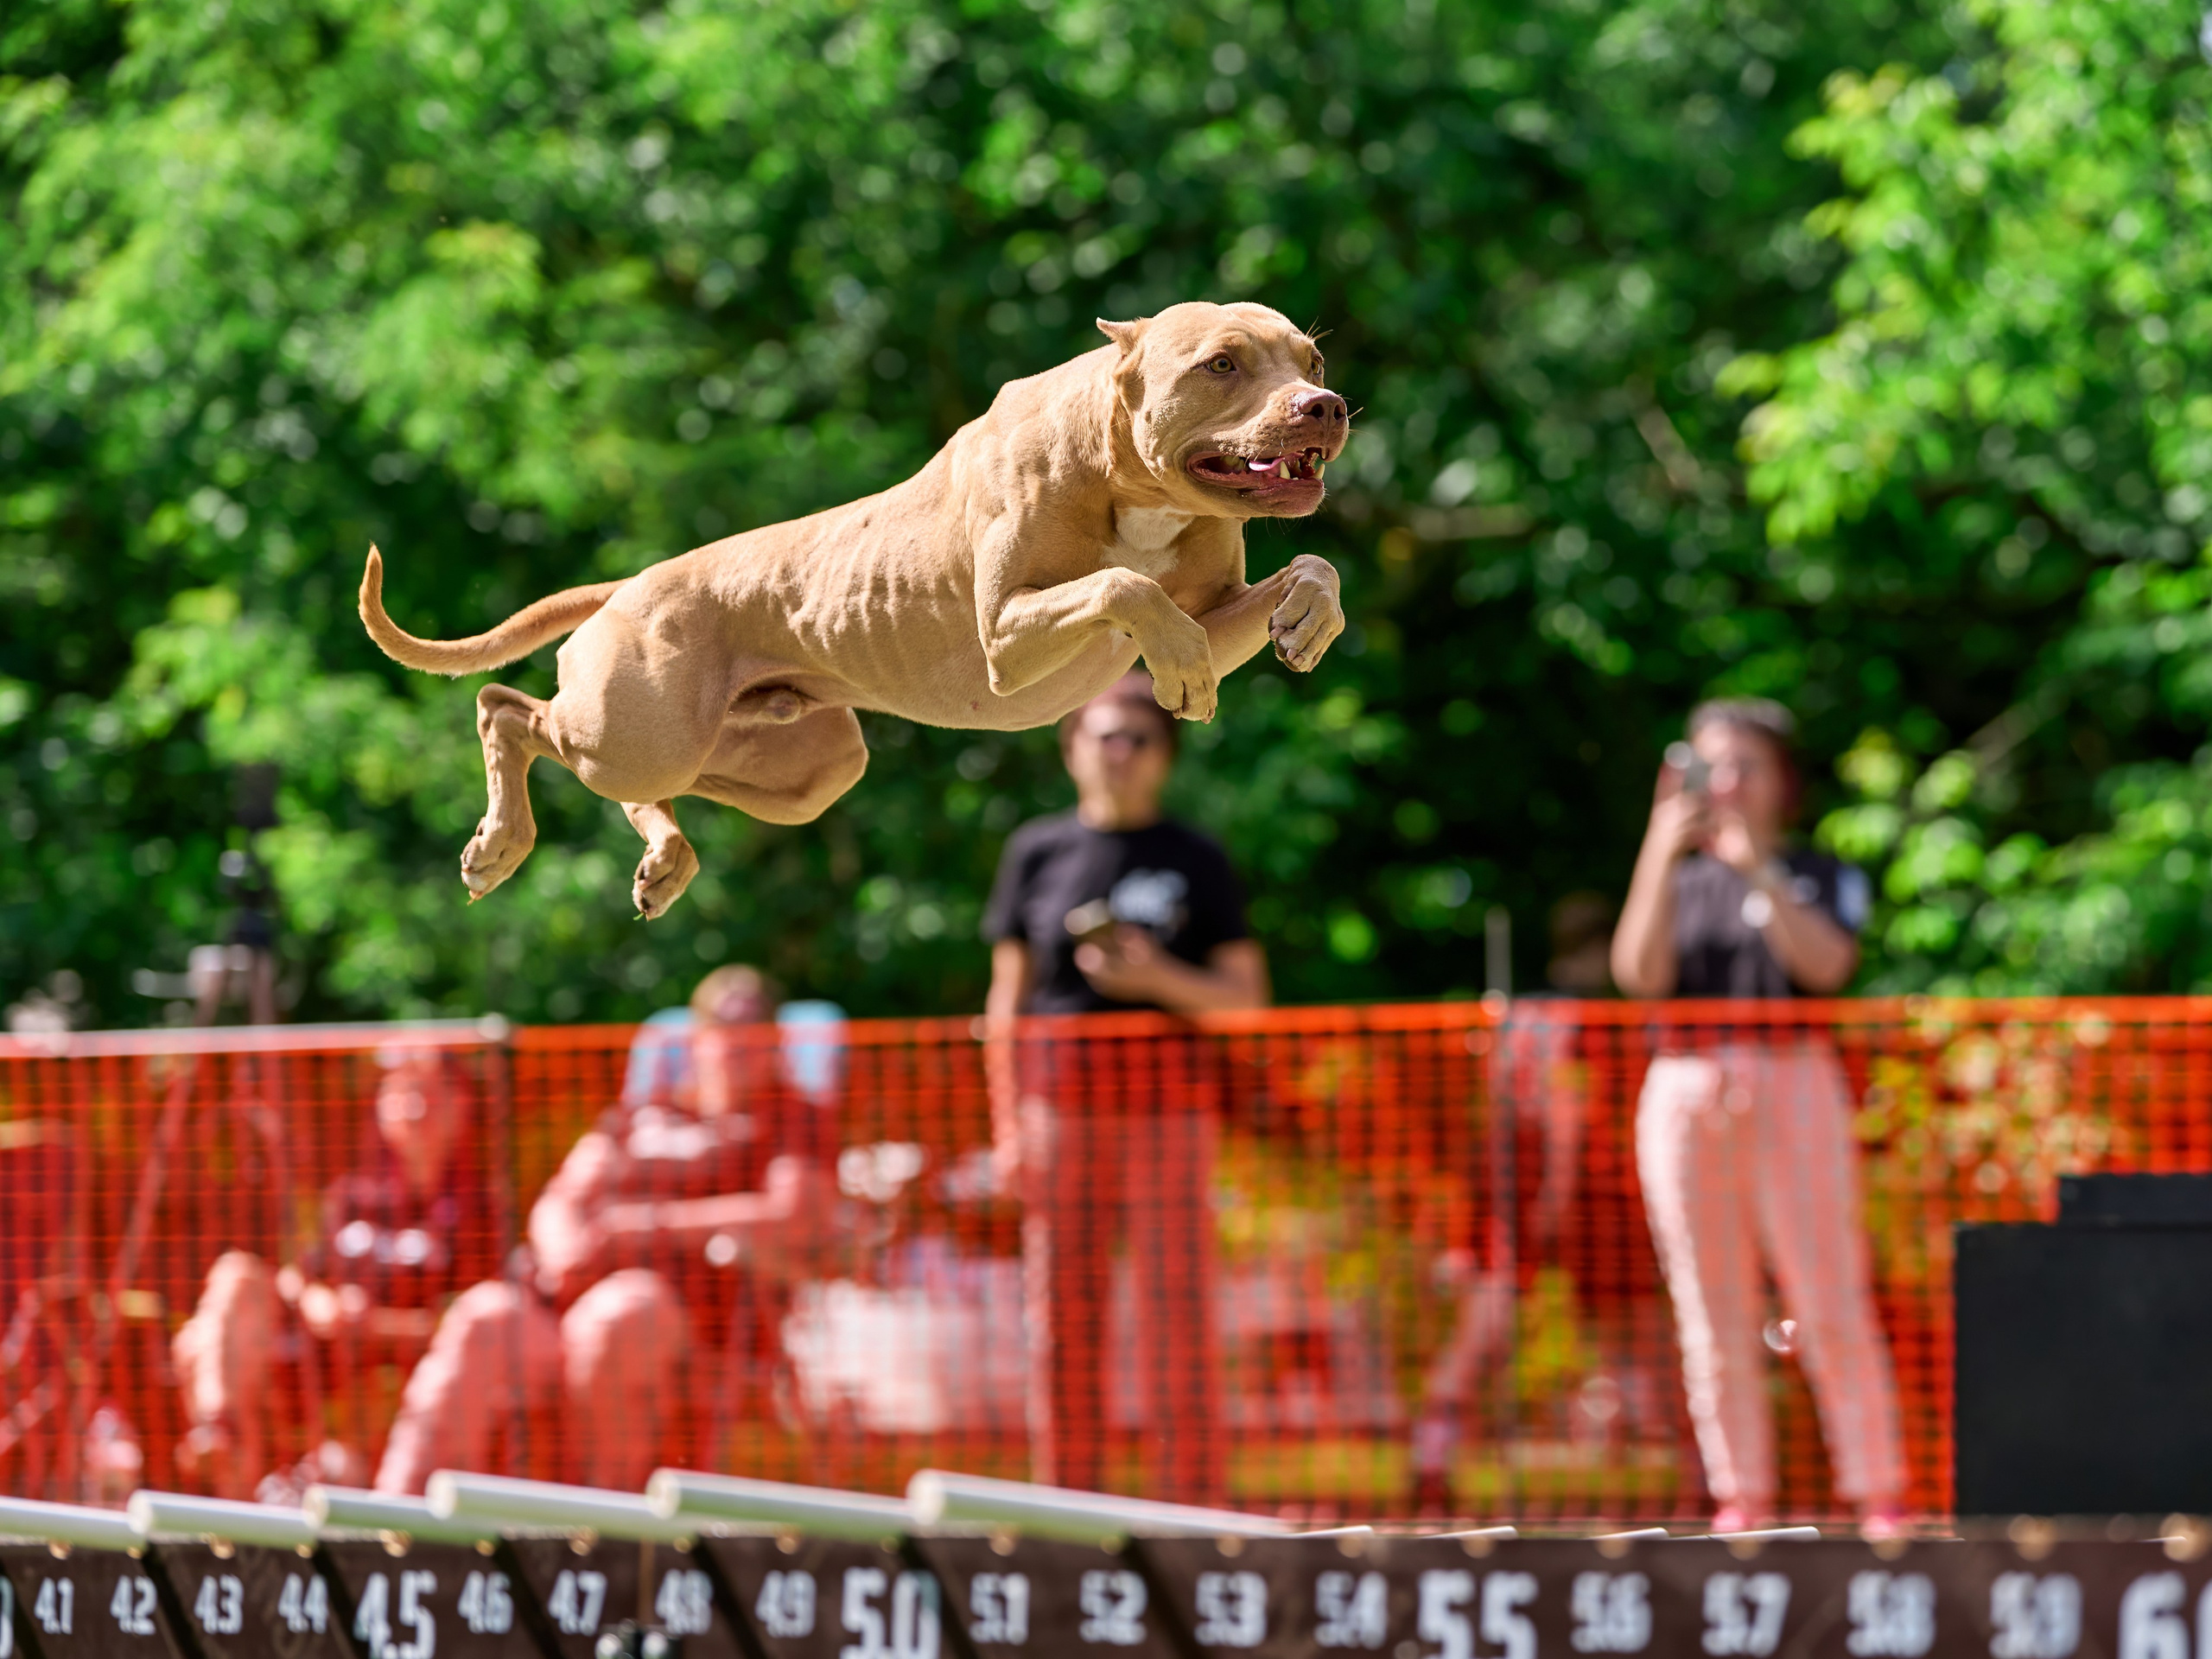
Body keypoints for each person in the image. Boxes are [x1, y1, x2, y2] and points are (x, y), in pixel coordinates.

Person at [373, 965, 847, 1492]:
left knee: (612, 1320)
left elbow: (792, 1214)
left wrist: (649, 1227)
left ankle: (591, 1530)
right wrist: (563, 1250)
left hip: (684, 1308)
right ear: (697, 1038)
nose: (735, 1043)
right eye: (720, 1027)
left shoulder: (792, 1119)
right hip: (566, 1291)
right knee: (481, 1318)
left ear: (777, 1040)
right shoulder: (642, 1114)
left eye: (752, 1029)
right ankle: (390, 1529)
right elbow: (561, 1198)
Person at [1610, 698, 1906, 1533]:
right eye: (1712, 766)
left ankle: (1877, 1490)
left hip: (1791, 1086)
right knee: (1710, 1310)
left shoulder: (1816, 874)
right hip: (1685, 1090)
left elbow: (1827, 966)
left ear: (1783, 782)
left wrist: (1757, 870)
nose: (1727, 783)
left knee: (1828, 1297)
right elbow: (1637, 974)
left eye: (1745, 766)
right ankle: (1743, 1497)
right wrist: (1659, 848)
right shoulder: (1679, 877)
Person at [982, 671, 1267, 1503]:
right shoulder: (1035, 851)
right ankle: (1067, 1511)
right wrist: (1008, 1130)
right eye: (1103, 734)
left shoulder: (1197, 858)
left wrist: (1158, 979)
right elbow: (1006, 1007)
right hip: (1057, 1113)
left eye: (1140, 738)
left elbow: (1247, 1006)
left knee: (1179, 1314)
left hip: (1168, 1113)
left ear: (1166, 757)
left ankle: (1191, 1511)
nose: (1121, 752)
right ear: (1071, 749)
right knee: (1064, 1322)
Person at [171, 1049, 497, 1500]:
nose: (410, 1106)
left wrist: (375, 1326)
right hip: (314, 1358)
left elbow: (472, 1321)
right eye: (398, 1091)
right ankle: (219, 1432)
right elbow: (299, 1276)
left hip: (404, 1371)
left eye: (425, 1092)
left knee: (197, 1343)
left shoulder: (479, 1208)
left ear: (461, 1106)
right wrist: (320, 1303)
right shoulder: (352, 1194)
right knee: (233, 1277)